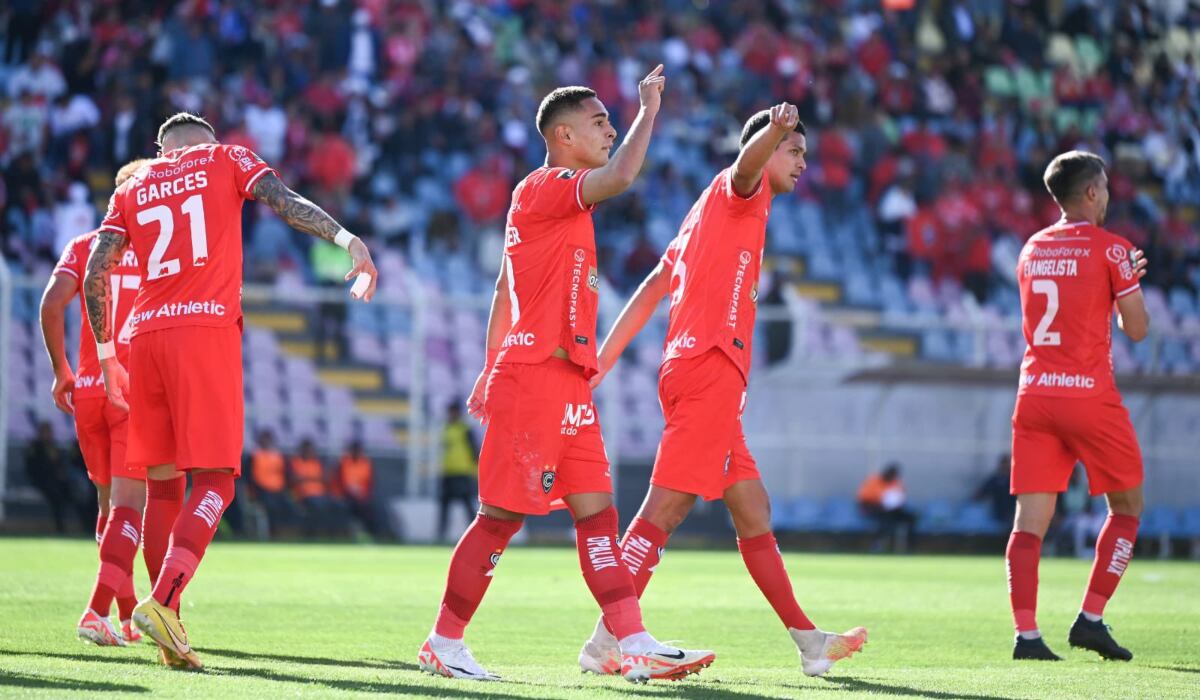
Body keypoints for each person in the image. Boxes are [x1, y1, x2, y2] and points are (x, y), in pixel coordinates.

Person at [417, 66, 715, 684]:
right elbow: (625, 174)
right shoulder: (546, 187)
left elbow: (505, 287)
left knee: (599, 514)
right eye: (599, 121)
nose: (609, 129)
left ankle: (629, 641)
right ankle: (443, 642)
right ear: (562, 134)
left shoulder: (554, 203)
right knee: (499, 516)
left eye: (612, 120)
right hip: (536, 379)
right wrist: (648, 111)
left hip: (568, 380)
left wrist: (485, 367)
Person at [574, 103, 866, 679]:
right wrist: (776, 129)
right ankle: (609, 640)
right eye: (795, 151)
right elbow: (745, 164)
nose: (803, 163)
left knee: (753, 510)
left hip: (699, 370)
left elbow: (655, 285)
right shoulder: (741, 191)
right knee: (665, 509)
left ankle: (808, 642)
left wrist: (603, 359)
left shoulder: (701, 216)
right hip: (708, 367)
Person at [85, 112, 377, 669]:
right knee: (216, 478)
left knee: (163, 486)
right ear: (207, 142)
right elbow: (283, 201)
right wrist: (348, 239)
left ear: (161, 147)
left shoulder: (136, 185)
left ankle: (169, 624)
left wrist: (105, 356)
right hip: (204, 330)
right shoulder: (228, 159)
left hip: (143, 338)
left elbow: (100, 267)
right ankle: (166, 602)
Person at [1005, 150, 1149, 662]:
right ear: (1090, 193)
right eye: (1105, 188)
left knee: (1029, 524)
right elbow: (1137, 329)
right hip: (1088, 395)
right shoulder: (1114, 251)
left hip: (1036, 394)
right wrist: (1127, 282)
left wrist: (1109, 290)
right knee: (1128, 508)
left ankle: (1026, 636)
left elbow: (1065, 308)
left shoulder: (1030, 248)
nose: (1108, 196)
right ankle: (1090, 619)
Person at [41, 158, 151, 646]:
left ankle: (125, 618)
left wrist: (61, 369)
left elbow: (50, 303)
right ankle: (94, 611)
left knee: (109, 510)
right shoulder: (156, 251)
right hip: (131, 390)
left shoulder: (85, 246)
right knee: (131, 509)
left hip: (87, 389)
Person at [23, 420, 89, 535]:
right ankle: (60, 528)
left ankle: (86, 526)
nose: (48, 434)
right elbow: (34, 468)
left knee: (76, 494)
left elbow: (62, 464)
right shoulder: (35, 448)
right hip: (41, 482)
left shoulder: (54, 446)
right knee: (56, 497)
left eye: (49, 432)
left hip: (57, 482)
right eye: (45, 432)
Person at [438, 401, 479, 542]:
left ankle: (476, 534)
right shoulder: (446, 428)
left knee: (467, 505)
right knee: (444, 505)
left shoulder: (465, 429)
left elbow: (474, 451)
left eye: (453, 411)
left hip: (463, 472)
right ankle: (441, 535)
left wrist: (475, 471)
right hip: (448, 472)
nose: (451, 414)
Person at [857, 463, 918, 553]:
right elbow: (863, 499)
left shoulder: (896, 483)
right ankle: (877, 544)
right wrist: (880, 503)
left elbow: (900, 497)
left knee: (911, 518)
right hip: (874, 509)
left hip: (893, 510)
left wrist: (895, 503)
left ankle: (910, 547)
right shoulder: (874, 481)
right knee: (886, 520)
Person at [244, 429, 293, 537]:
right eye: (264, 439)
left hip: (278, 490)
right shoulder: (254, 456)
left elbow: (285, 474)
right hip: (261, 491)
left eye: (268, 439)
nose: (267, 442)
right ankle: (272, 533)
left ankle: (288, 532)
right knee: (271, 506)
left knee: (290, 506)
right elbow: (249, 478)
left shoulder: (278, 457)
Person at [332, 440, 379, 537]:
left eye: (358, 450)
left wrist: (364, 495)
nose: (356, 452)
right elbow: (340, 482)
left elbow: (370, 483)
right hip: (343, 494)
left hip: (362, 495)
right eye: (354, 450)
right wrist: (352, 492)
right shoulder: (343, 462)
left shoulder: (366, 463)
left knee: (369, 506)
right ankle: (355, 532)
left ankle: (371, 534)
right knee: (355, 505)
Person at [289, 438, 334, 537]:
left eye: (311, 450)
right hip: (303, 496)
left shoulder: (317, 463)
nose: (309, 452)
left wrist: (306, 477)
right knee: (316, 505)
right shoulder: (296, 462)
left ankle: (331, 533)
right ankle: (313, 533)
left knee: (334, 504)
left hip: (320, 495)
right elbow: (294, 479)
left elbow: (325, 479)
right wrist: (314, 478)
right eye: (306, 450)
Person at [973, 454, 1016, 526]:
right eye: (1003, 463)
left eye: (1007, 463)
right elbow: (982, 492)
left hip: (1012, 514)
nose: (1005, 466)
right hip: (998, 513)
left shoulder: (1014, 480)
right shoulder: (995, 479)